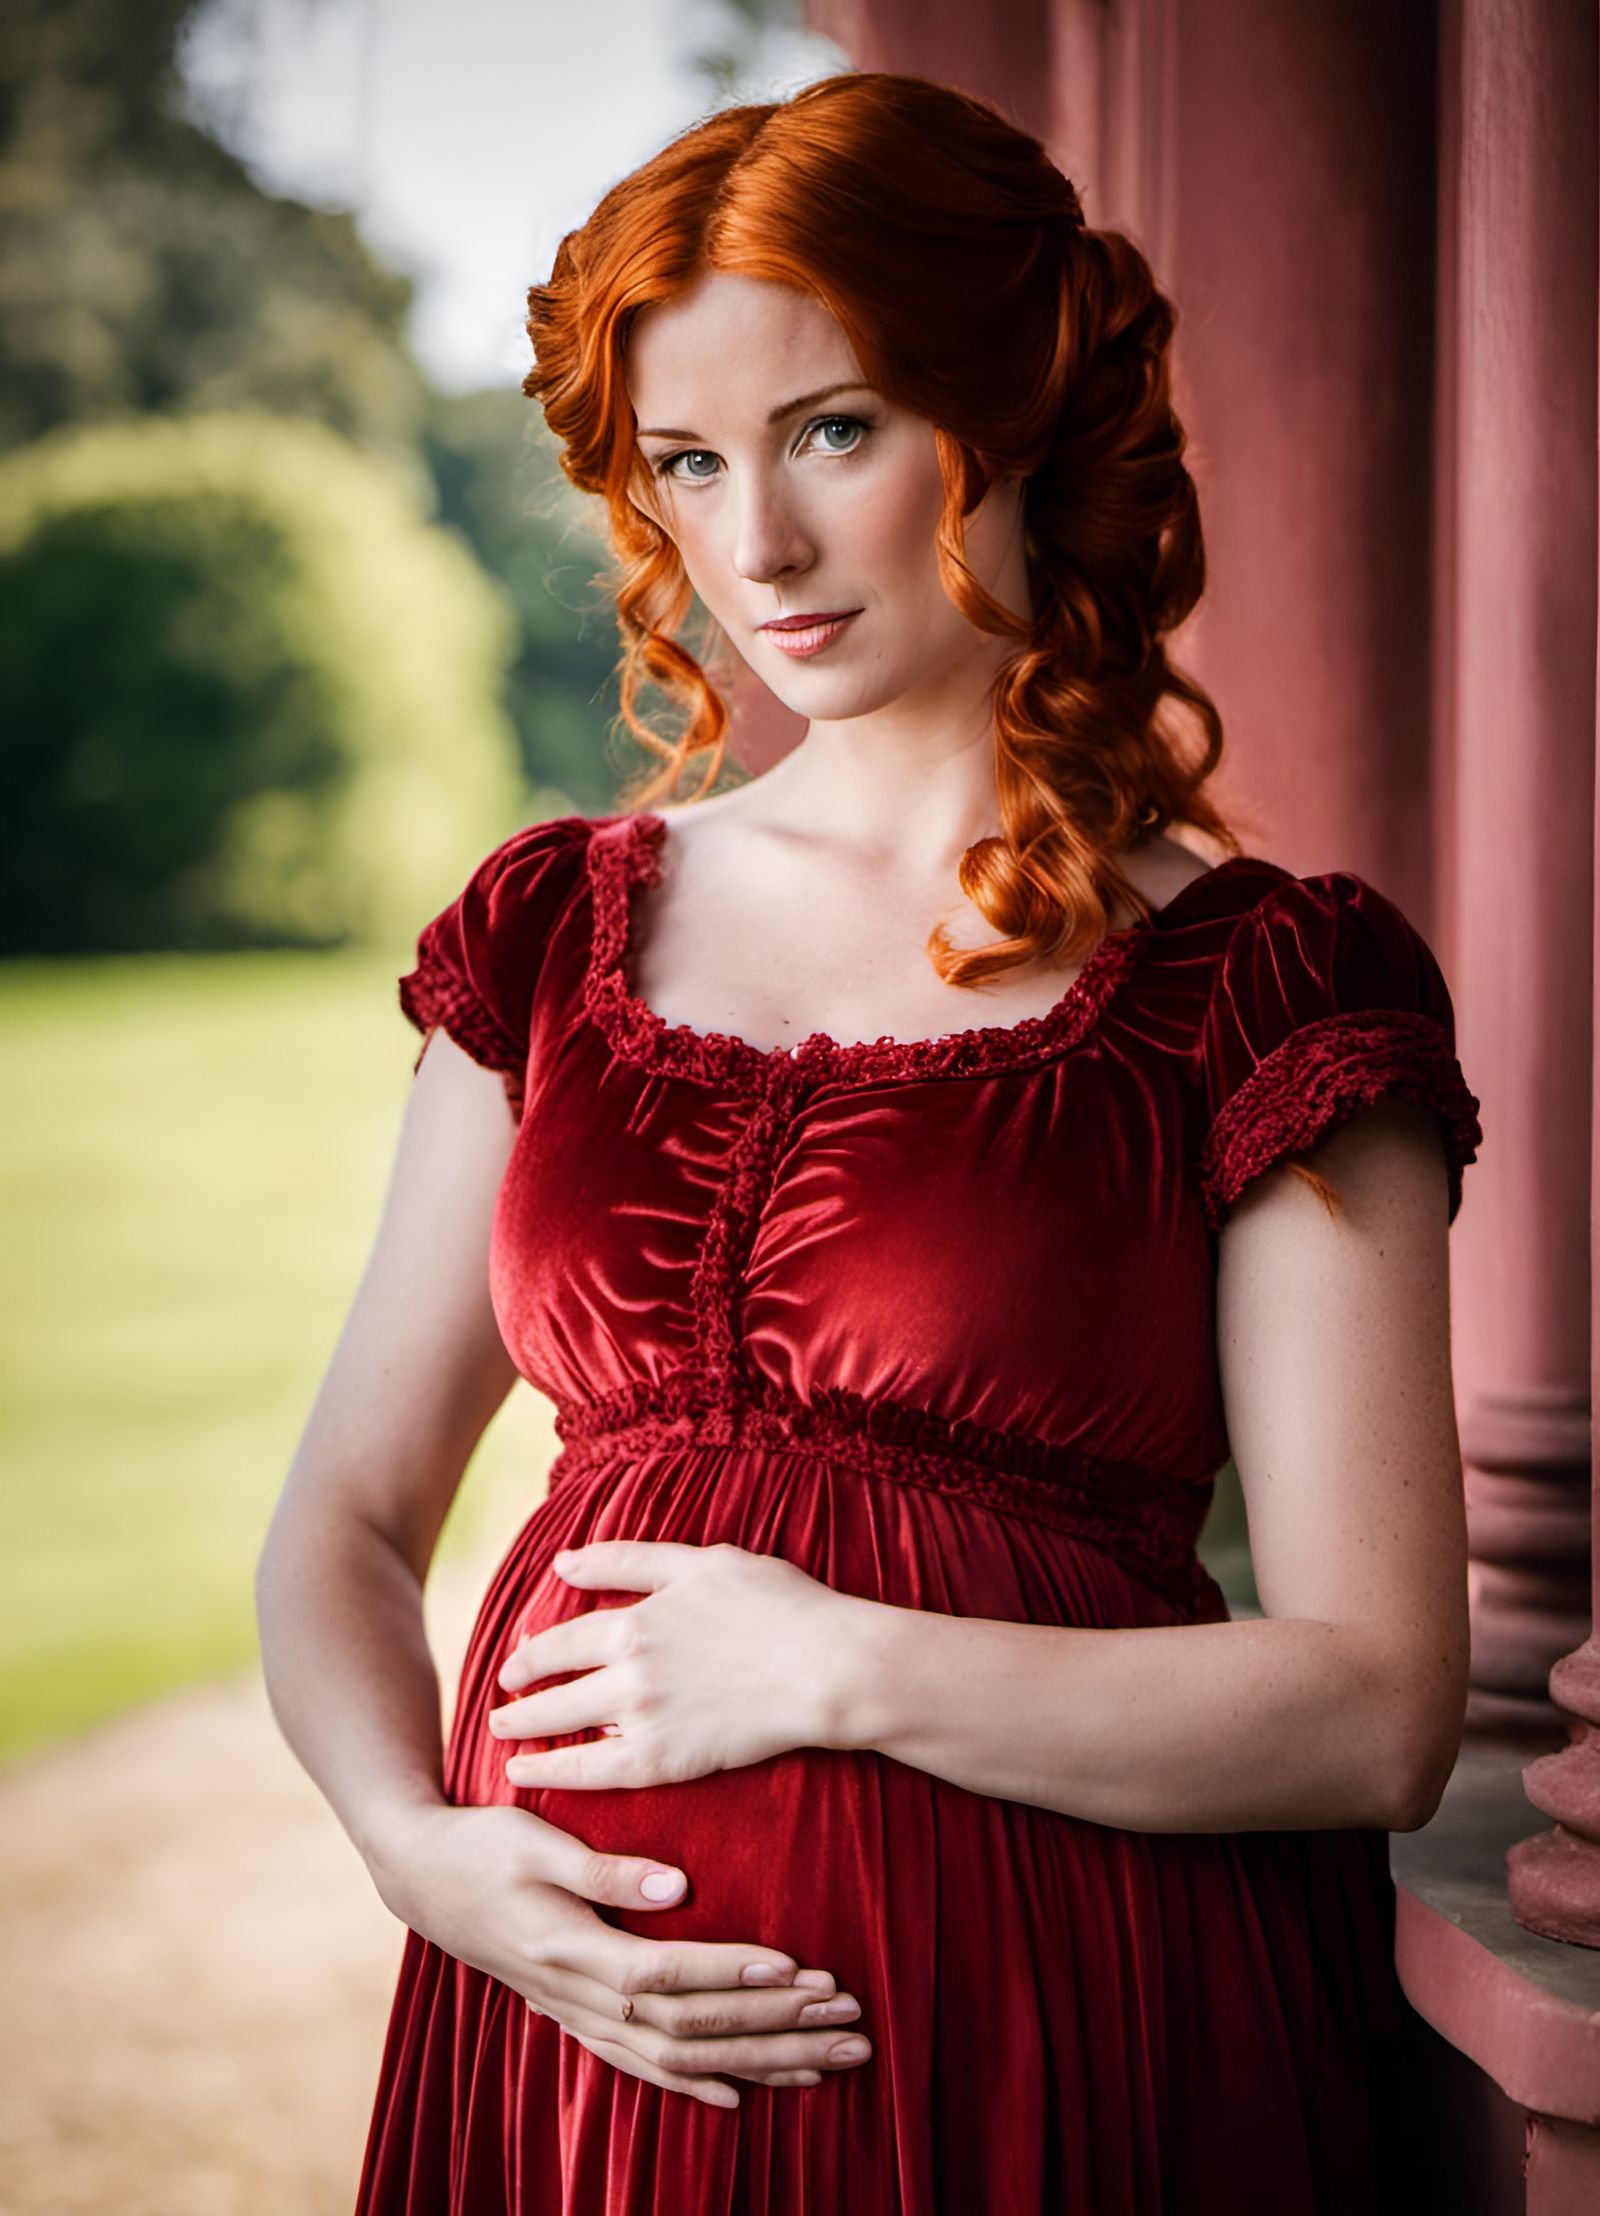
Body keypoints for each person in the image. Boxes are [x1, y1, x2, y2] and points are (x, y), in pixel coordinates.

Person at [255, 70, 1485, 2214]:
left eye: (832, 430)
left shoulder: (1262, 985)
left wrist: (835, 1657)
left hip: (1057, 2029)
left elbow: (1371, 1707)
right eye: (689, 465)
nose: (758, 549)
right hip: (562, 2063)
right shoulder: (553, 926)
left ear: (1010, 415)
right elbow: (347, 1523)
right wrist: (422, 1853)